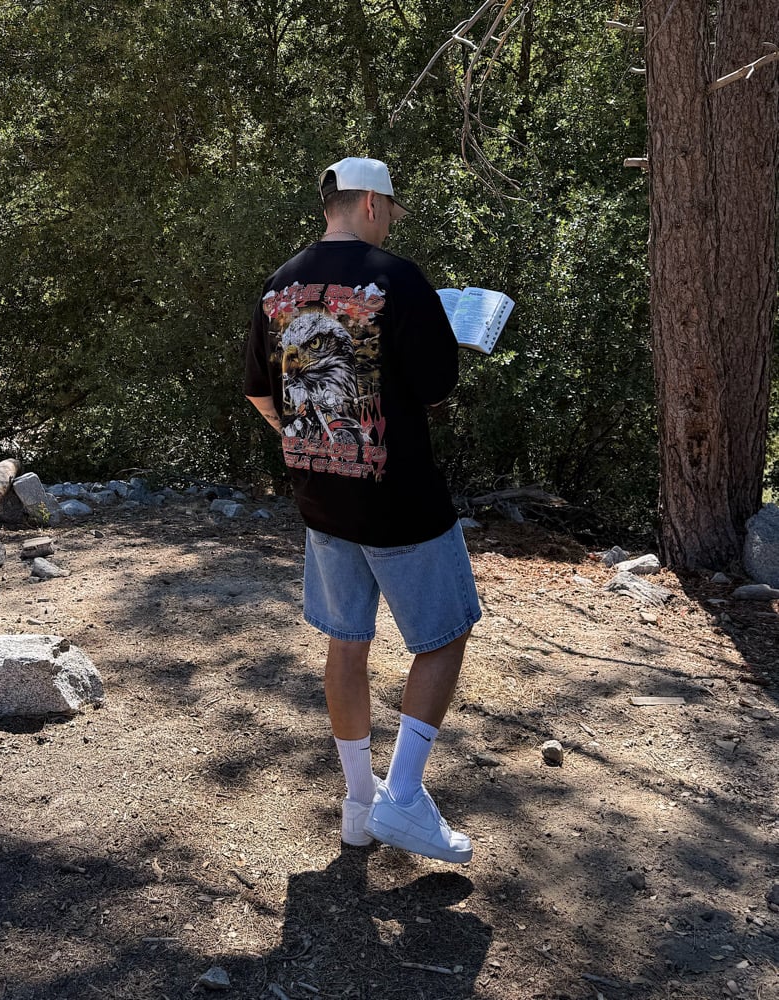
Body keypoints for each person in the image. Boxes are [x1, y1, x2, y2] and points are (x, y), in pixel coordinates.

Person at [244, 156, 481, 863]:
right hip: (402, 499)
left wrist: (310, 441)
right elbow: (436, 385)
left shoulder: (280, 283)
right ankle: (401, 797)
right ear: (373, 204)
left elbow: (259, 391)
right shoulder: (399, 278)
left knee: (346, 642)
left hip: (323, 498)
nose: (391, 222)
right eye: (392, 211)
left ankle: (358, 803)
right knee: (443, 635)